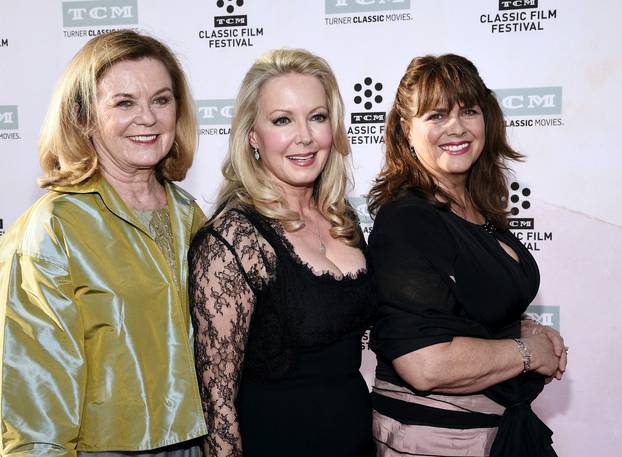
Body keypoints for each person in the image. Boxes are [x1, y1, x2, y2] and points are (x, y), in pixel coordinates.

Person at [0, 30, 206, 456]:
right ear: (83, 116)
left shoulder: (191, 216)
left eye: (161, 100)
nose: (147, 118)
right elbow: (32, 397)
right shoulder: (53, 228)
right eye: (124, 103)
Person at [367, 54, 568, 457]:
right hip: (439, 438)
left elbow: (465, 306)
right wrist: (529, 353)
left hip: (493, 430)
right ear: (407, 130)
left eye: (468, 111)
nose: (456, 127)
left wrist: (521, 326)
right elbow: (424, 364)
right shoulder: (408, 219)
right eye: (436, 115)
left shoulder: (476, 207)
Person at [189, 48, 376, 457]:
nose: (304, 137)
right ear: (252, 136)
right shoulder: (232, 240)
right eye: (282, 120)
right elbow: (217, 407)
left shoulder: (342, 217)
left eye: (318, 116)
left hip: (356, 442)